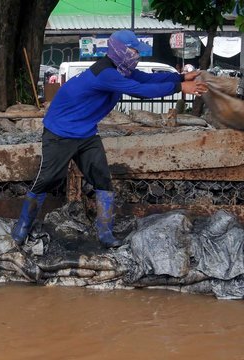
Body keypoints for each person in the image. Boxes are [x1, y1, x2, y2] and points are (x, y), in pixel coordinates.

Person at [12, 30, 207, 249]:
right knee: (47, 179)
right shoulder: (106, 74)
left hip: (86, 133)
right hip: (61, 132)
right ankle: (21, 228)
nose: (136, 56)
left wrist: (179, 78)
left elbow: (147, 78)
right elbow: (141, 91)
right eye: (133, 51)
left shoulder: (121, 70)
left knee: (102, 179)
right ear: (120, 51)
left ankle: (105, 234)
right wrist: (180, 87)